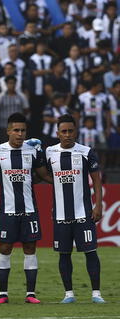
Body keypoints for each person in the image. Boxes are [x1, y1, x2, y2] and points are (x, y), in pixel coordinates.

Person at [0, 113, 52, 304]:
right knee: (5, 248)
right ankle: (3, 294)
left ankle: (31, 294)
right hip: (7, 210)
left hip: (29, 210)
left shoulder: (33, 151)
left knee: (30, 248)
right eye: (16, 130)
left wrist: (63, 180)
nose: (20, 134)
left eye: (23, 131)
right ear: (8, 131)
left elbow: (42, 175)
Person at [46, 114, 105, 304]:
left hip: (83, 213)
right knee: (64, 254)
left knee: (91, 252)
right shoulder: (49, 152)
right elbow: (40, 173)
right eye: (64, 131)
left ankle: (96, 293)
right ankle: (68, 294)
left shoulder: (86, 152)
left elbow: (97, 179)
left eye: (71, 131)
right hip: (61, 215)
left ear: (76, 131)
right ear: (58, 133)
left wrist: (98, 204)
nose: (68, 135)